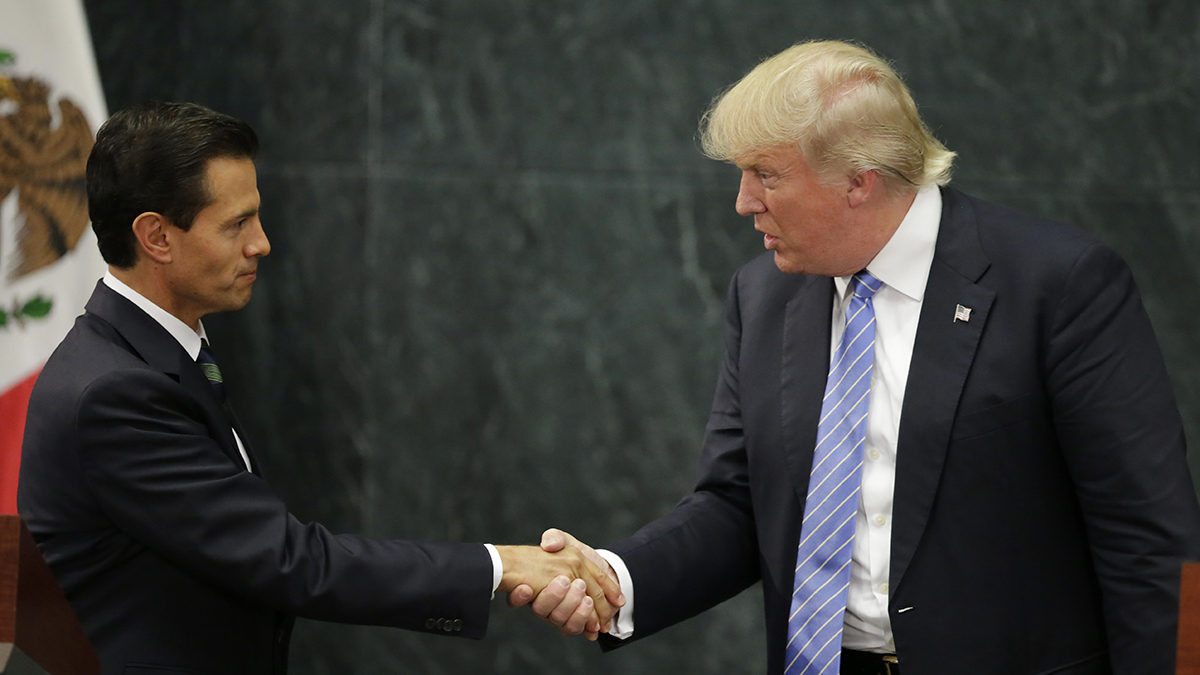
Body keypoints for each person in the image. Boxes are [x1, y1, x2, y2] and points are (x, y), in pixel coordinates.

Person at [520, 40, 1200, 674]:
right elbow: (739, 504)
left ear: (858, 181)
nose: (743, 202)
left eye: (766, 175)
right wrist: (618, 578)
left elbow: (1152, 542)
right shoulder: (763, 296)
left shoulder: (1060, 284)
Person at [17, 101, 621, 675]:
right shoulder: (115, 393)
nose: (262, 242)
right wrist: (499, 564)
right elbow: (289, 562)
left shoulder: (149, 356)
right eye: (237, 224)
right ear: (157, 237)